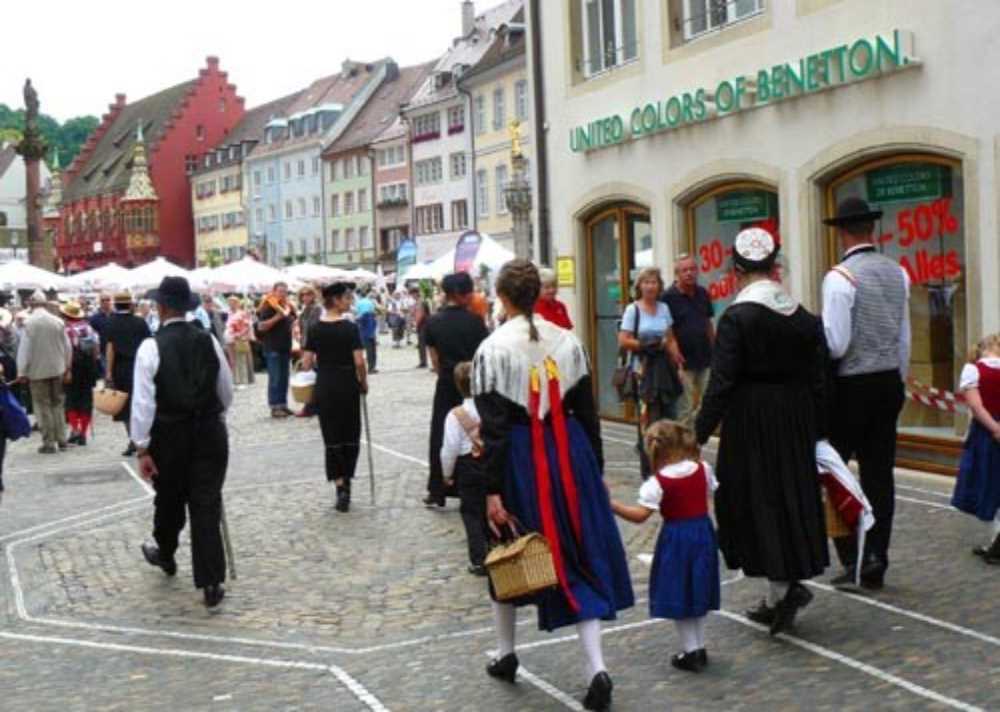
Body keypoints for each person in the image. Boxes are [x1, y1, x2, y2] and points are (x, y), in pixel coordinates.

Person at [475, 259, 633, 712]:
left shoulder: (493, 349)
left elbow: (496, 429)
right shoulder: (569, 341)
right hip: (572, 451)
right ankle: (596, 667)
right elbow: (586, 413)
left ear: (503, 297)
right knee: (578, 553)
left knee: (510, 549)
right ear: (538, 296)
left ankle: (506, 653)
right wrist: (596, 469)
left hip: (524, 456)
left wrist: (491, 490)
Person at [695, 228, 828, 636]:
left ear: (737, 271)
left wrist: (697, 432)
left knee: (758, 501)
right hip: (795, 418)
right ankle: (779, 593)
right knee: (788, 498)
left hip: (752, 421)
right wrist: (818, 427)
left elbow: (722, 381)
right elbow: (821, 376)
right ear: (774, 268)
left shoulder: (738, 317)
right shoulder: (803, 316)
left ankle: (782, 592)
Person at [822, 197, 911, 590]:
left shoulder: (840, 277)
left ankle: (850, 555)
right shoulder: (898, 272)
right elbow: (904, 336)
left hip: (851, 385)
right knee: (880, 474)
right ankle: (877, 555)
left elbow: (836, 343)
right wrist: (899, 378)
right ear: (870, 230)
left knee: (835, 470)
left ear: (842, 232)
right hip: (889, 379)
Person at [132, 276, 234, 608]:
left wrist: (142, 445)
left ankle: (165, 551)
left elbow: (143, 403)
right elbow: (226, 390)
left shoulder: (151, 347)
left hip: (170, 435)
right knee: (206, 503)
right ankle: (211, 582)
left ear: (160, 307)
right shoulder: (209, 341)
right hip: (208, 431)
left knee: (169, 499)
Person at [610, 420, 719, 673]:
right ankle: (700, 647)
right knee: (698, 588)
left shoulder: (658, 482)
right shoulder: (702, 468)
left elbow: (640, 515)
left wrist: (612, 506)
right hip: (702, 533)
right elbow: (708, 496)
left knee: (679, 591)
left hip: (676, 539)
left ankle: (691, 651)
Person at [423, 273, 490, 507]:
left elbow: (435, 360)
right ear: (462, 294)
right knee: (476, 430)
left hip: (446, 381)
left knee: (441, 433)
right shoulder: (476, 321)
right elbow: (484, 354)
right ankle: (472, 482)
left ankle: (437, 488)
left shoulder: (433, 322)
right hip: (472, 381)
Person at [301, 282, 368, 513]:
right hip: (347, 383)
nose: (349, 302)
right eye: (347, 298)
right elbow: (359, 361)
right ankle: (347, 480)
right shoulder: (350, 328)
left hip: (326, 385)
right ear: (336, 301)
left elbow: (307, 362)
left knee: (332, 436)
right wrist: (364, 382)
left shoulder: (315, 328)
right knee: (350, 433)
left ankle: (340, 486)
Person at [618, 267, 683, 479]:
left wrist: (678, 362)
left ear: (659, 286)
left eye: (654, 282)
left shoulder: (664, 308)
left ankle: (669, 466)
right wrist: (647, 344)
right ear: (639, 286)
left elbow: (670, 338)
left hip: (665, 370)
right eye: (646, 282)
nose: (650, 286)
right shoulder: (632, 310)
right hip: (643, 371)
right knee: (648, 420)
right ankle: (649, 472)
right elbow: (624, 340)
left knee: (669, 417)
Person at [951, 333, 1000, 564]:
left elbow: (977, 406)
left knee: (989, 484)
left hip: (985, 432)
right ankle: (995, 543)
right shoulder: (977, 369)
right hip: (991, 430)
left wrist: (995, 428)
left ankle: (997, 544)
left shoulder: (973, 370)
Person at [440, 361, 488, 576]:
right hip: (492, 461)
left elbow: (449, 449)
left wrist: (446, 474)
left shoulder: (455, 415)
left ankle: (479, 559)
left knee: (471, 513)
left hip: (468, 465)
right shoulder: (490, 408)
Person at [661, 254, 715, 428]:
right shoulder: (667, 298)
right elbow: (667, 332)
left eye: (692, 269)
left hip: (705, 358)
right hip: (682, 361)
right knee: (684, 407)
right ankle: (684, 446)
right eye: (685, 270)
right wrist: (675, 356)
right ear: (677, 273)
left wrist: (715, 350)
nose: (689, 273)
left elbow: (708, 324)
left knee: (710, 400)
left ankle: (696, 435)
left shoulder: (703, 293)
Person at [16, 291, 72, 454]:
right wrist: (66, 367)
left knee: (42, 407)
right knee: (58, 405)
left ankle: (48, 442)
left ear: (31, 305)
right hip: (57, 370)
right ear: (46, 304)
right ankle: (62, 439)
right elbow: (67, 347)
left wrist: (22, 371)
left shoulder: (29, 323)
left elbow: (24, 351)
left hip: (37, 372)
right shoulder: (58, 322)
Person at [106, 293, 152, 456]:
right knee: (141, 402)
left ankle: (133, 439)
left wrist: (109, 372)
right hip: (139, 366)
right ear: (130, 305)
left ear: (116, 305)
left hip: (121, 368)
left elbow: (110, 349)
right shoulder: (140, 322)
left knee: (125, 406)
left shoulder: (111, 323)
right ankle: (144, 437)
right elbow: (149, 344)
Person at [61, 301, 100, 446]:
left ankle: (75, 430)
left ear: (66, 315)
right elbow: (96, 350)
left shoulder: (65, 330)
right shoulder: (89, 328)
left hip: (72, 367)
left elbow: (65, 351)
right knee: (86, 400)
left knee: (71, 399)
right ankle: (83, 433)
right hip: (88, 368)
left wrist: (67, 369)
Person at [256, 282, 298, 418]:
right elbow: (261, 327)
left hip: (285, 347)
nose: (283, 293)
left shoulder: (287, 306)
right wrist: (277, 317)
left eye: (285, 291)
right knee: (275, 379)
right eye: (280, 291)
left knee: (284, 379)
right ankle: (275, 407)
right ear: (274, 291)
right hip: (272, 348)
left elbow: (292, 320)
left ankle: (283, 405)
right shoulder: (268, 305)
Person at [224, 296, 255, 388]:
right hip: (229, 338)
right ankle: (235, 380)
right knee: (232, 360)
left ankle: (243, 380)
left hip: (239, 338)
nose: (231, 304)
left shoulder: (242, 313)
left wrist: (240, 334)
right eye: (229, 302)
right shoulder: (228, 313)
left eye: (233, 302)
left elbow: (247, 326)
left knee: (241, 359)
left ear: (237, 303)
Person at [89, 293, 114, 377]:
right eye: (103, 300)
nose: (106, 302)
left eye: (108, 299)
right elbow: (92, 336)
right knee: (106, 376)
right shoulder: (94, 318)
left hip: (117, 350)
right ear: (99, 302)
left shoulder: (116, 316)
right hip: (103, 351)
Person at [354, 289, 379, 374]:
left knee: (367, 349)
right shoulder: (370, 302)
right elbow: (374, 311)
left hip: (363, 328)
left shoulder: (358, 303)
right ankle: (372, 367)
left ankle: (369, 368)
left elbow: (356, 313)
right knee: (372, 349)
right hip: (371, 327)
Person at [413, 288, 430, 368]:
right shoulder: (419, 302)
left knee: (422, 344)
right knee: (421, 344)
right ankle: (423, 361)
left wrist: (417, 324)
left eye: (413, 294)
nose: (412, 296)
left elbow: (421, 314)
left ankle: (423, 362)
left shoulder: (421, 302)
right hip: (423, 324)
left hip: (423, 325)